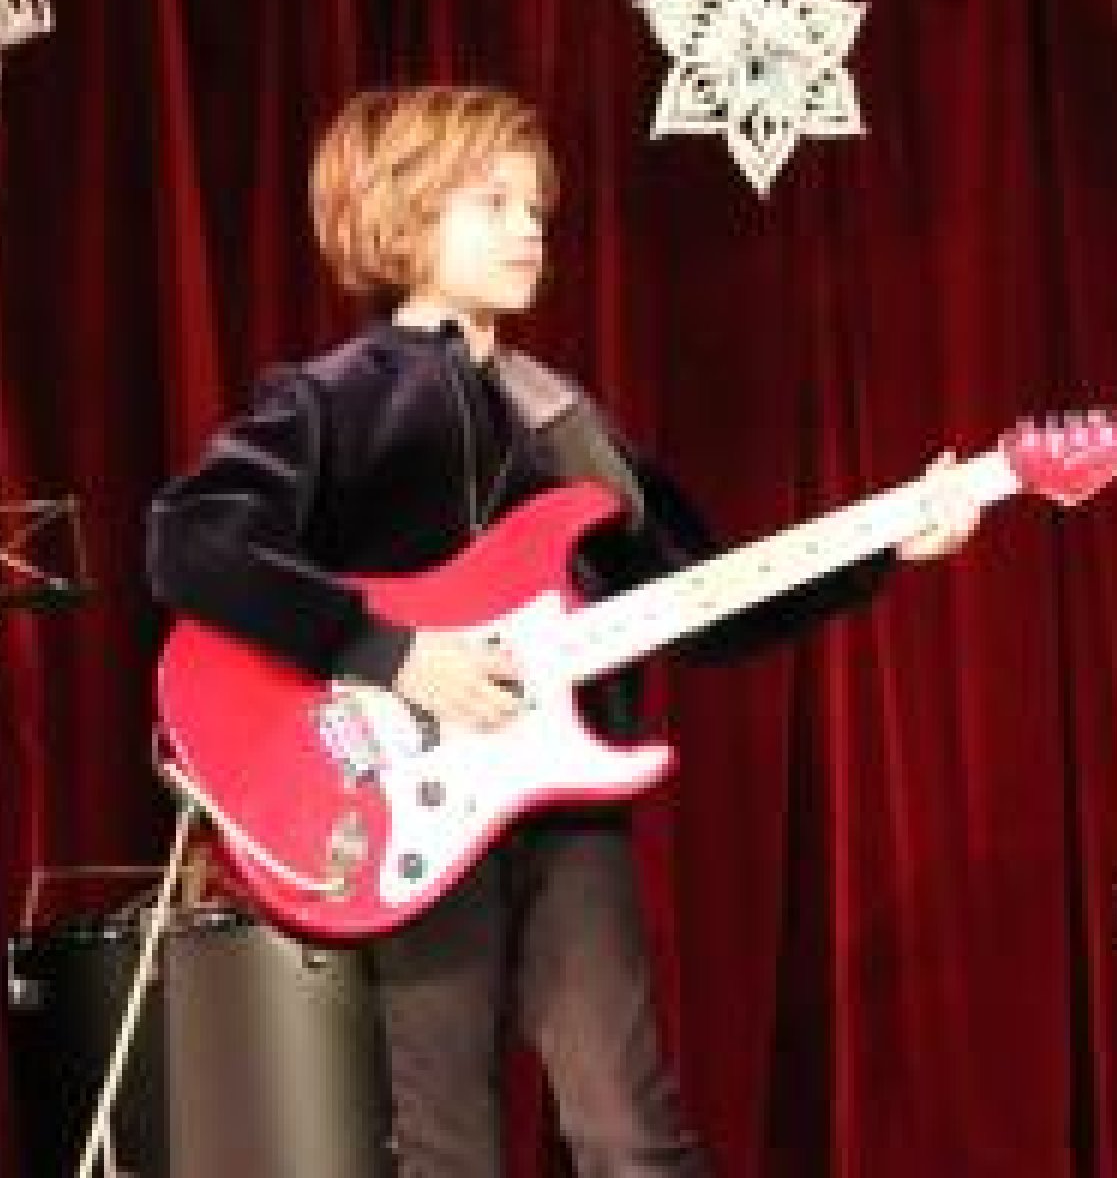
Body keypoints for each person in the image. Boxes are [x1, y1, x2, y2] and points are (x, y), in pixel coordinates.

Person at [146, 84, 978, 1176]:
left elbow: (699, 603)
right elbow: (192, 541)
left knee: (630, 1130)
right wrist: (393, 654)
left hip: (564, 808)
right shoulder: (337, 396)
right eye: (492, 202)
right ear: (403, 214)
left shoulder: (566, 419)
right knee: (449, 1144)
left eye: (535, 206)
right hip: (400, 802)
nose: (529, 228)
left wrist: (883, 548)